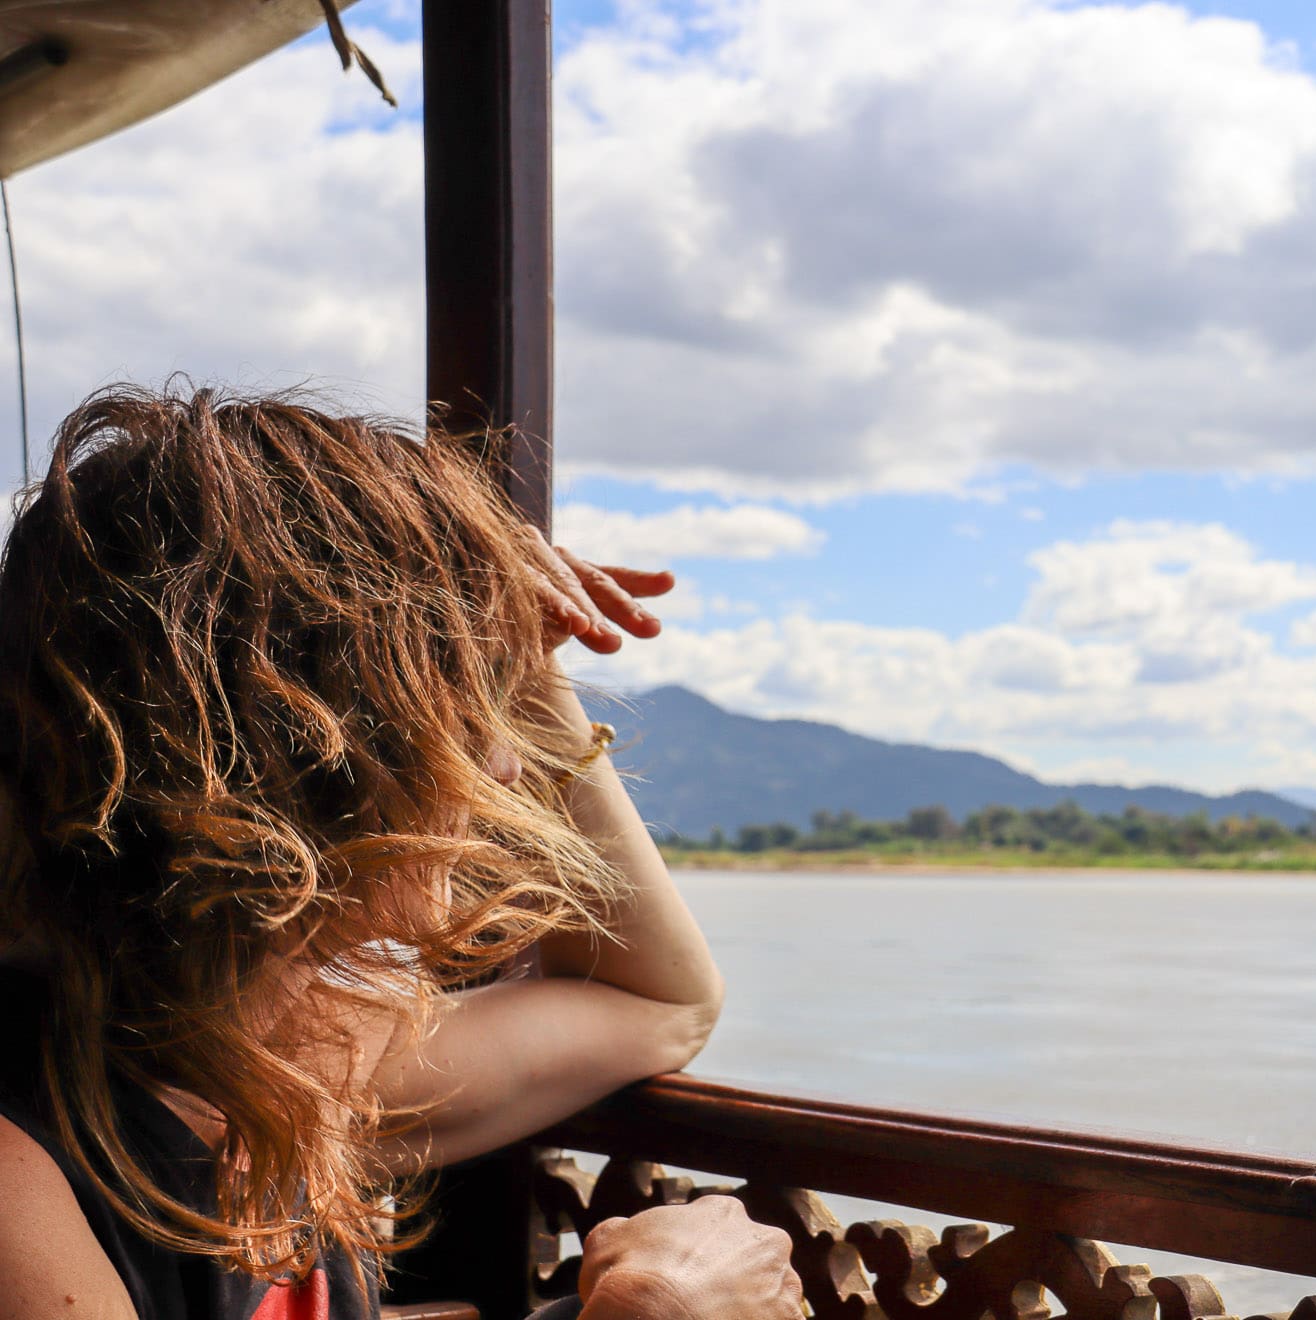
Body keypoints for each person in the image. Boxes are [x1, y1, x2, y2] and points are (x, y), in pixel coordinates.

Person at [0, 386, 804, 1320]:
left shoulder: (280, 1064)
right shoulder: (25, 1171)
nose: (507, 764)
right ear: (304, 750)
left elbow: (655, 1004)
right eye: (461, 704)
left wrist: (533, 664)